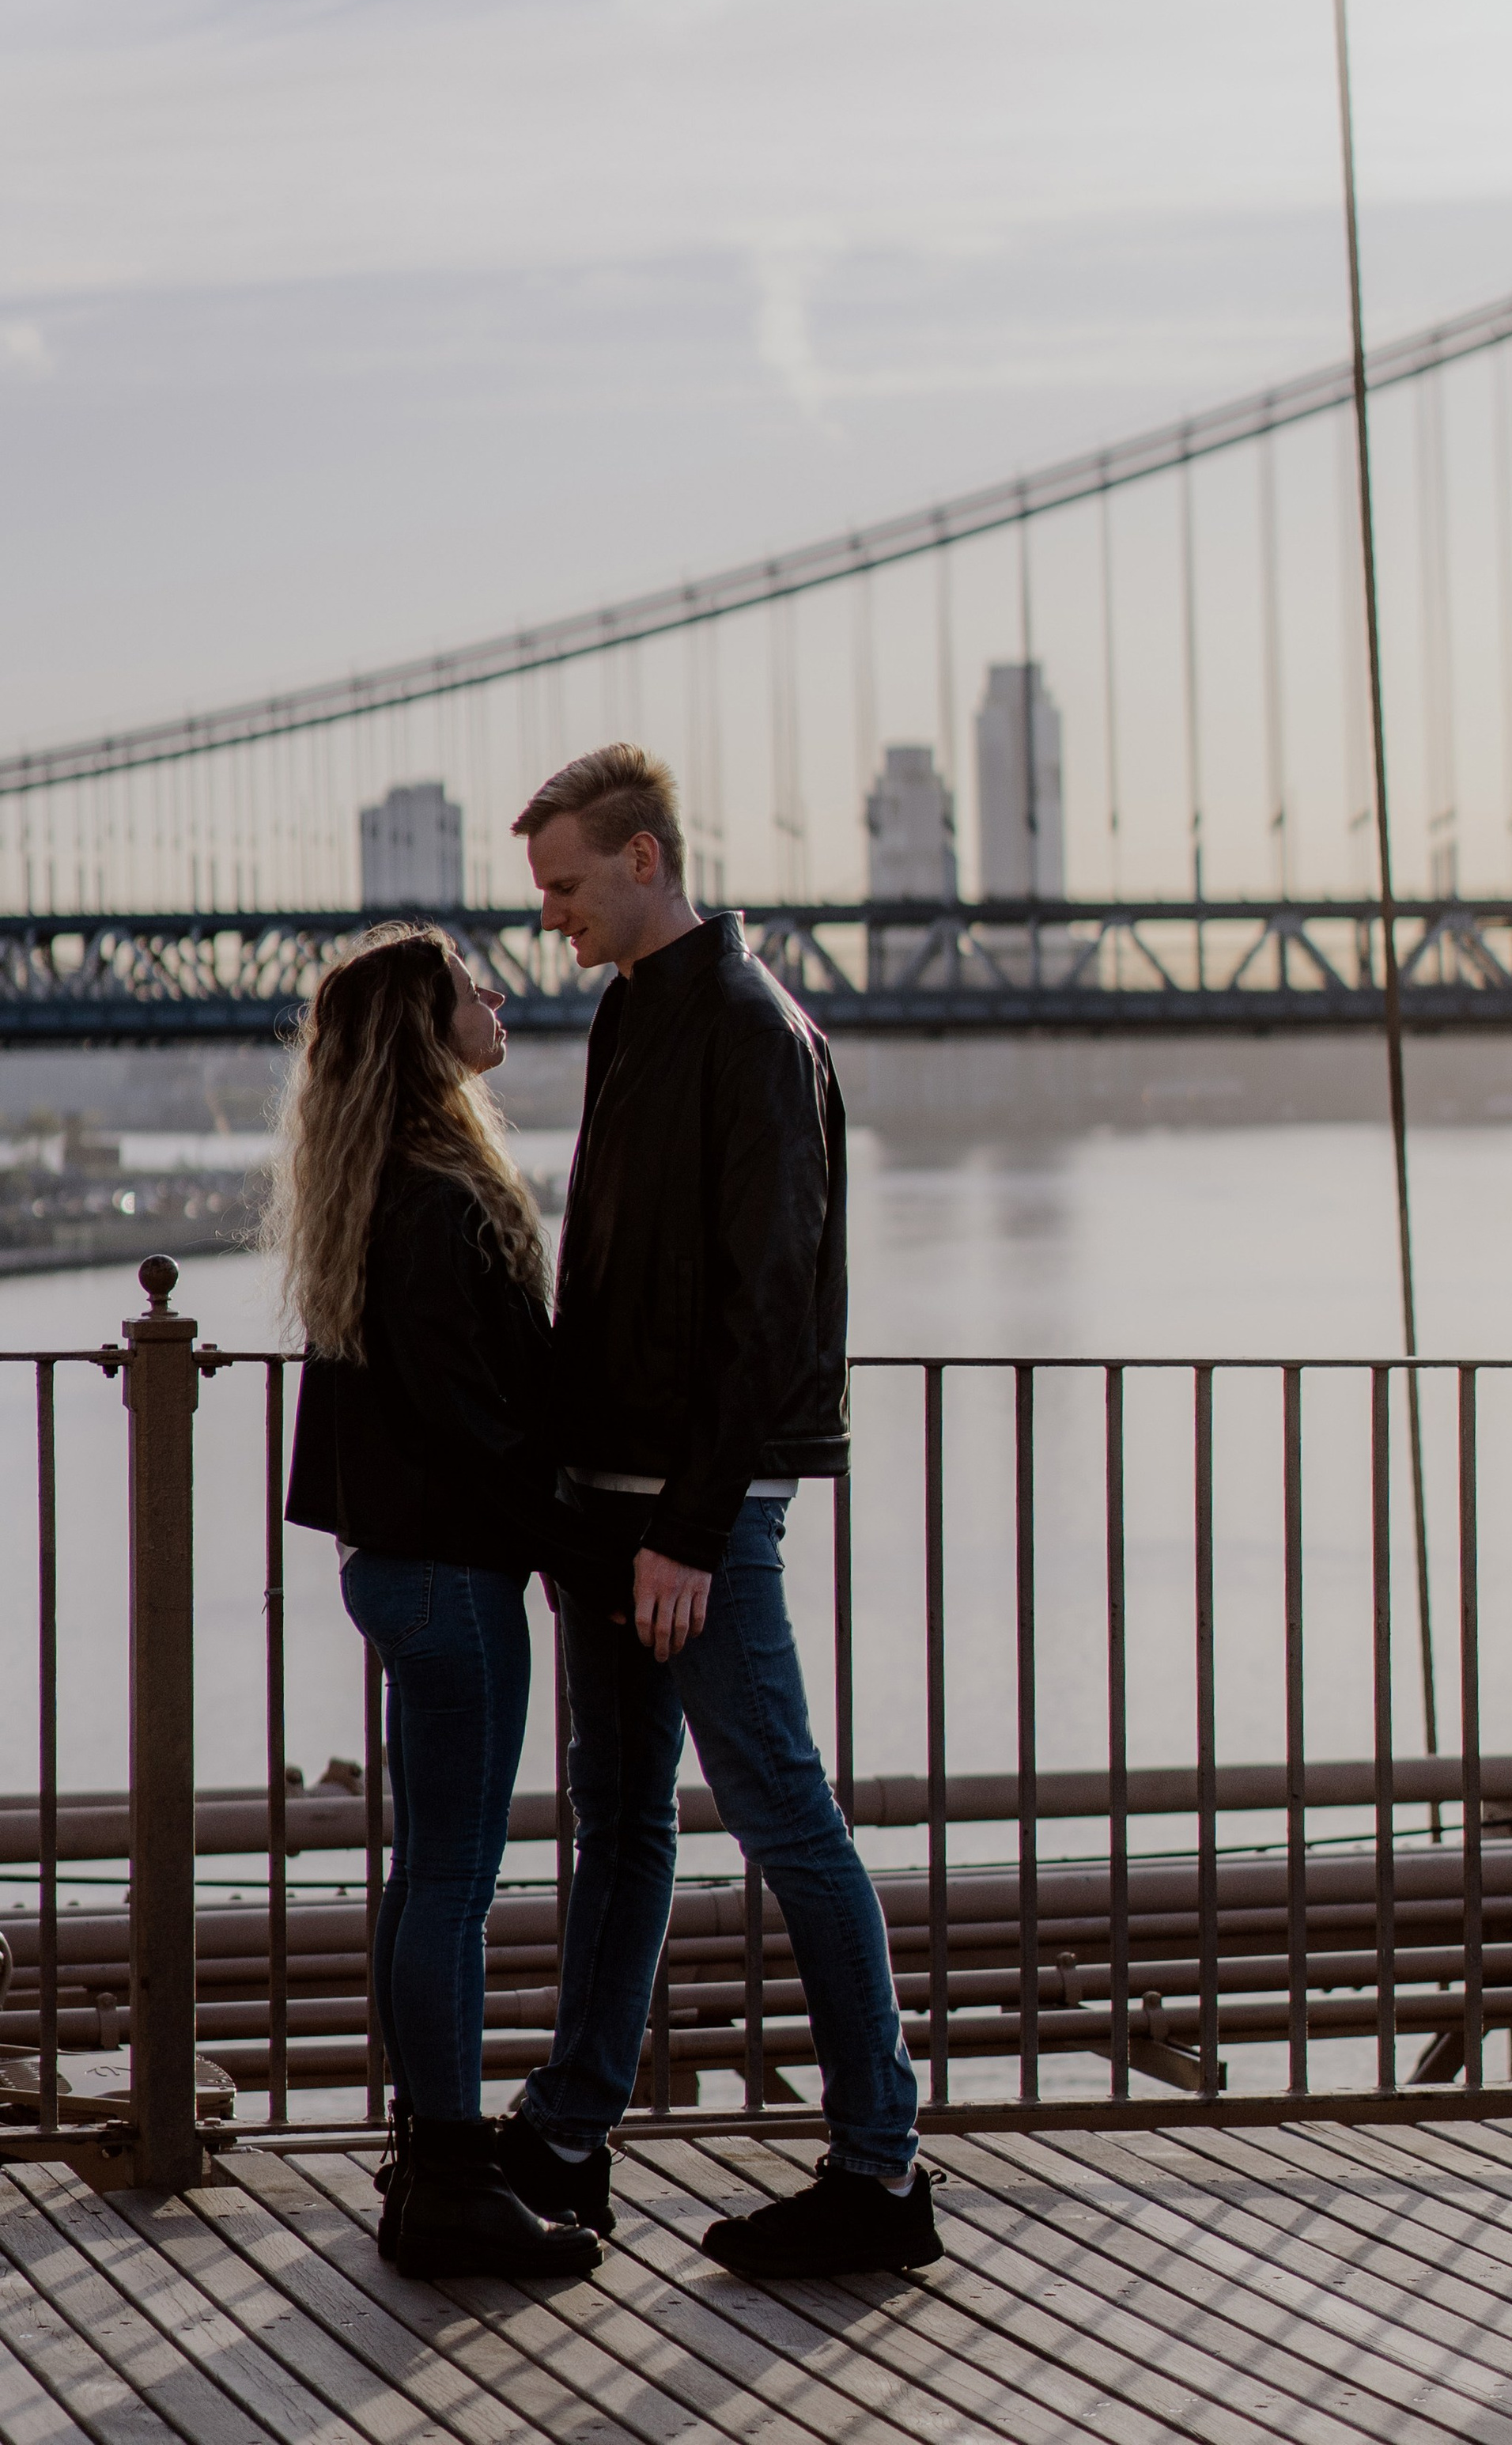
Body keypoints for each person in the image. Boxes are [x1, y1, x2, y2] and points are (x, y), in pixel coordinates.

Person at [492, 742, 939, 2280]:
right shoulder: (631, 1015)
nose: (547, 916)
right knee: (616, 1828)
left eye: (562, 885)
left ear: (642, 857)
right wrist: (568, 1499)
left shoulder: (755, 1032)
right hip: (607, 1510)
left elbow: (763, 1303)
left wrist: (687, 1523)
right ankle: (565, 2137)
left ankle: (880, 2172)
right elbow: (604, 1286)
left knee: (785, 1822)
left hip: (698, 1524)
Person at [278, 924, 621, 2282]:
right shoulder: (436, 1196)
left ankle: (431, 2165)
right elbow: (475, 1415)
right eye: (467, 987)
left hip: (406, 1567)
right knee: (455, 1889)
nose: (494, 995)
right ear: (427, 1034)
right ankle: (455, 2186)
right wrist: (576, 1548)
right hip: (451, 1573)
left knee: (428, 1876)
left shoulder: (388, 1185)